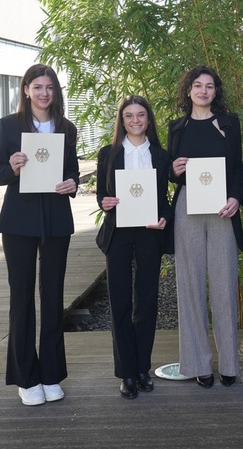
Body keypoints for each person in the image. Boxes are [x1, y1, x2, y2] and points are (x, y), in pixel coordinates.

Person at [0, 64, 79, 407]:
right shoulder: (8, 125)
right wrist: (11, 168)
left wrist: (72, 183)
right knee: (22, 298)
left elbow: (72, 171)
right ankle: (26, 377)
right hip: (19, 220)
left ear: (56, 91)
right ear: (25, 89)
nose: (44, 93)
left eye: (49, 87)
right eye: (37, 87)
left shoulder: (66, 128)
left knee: (53, 297)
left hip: (56, 219)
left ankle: (51, 374)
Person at [167, 65, 243, 388]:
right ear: (188, 91)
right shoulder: (177, 127)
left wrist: (236, 198)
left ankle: (228, 362)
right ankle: (198, 363)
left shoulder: (229, 123)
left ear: (216, 91)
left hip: (222, 206)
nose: (203, 91)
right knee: (190, 285)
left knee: (225, 284)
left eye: (209, 86)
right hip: (188, 206)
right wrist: (173, 169)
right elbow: (171, 173)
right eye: (197, 85)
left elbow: (238, 168)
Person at [96, 96, 171, 399]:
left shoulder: (161, 155)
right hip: (119, 233)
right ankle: (126, 372)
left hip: (149, 233)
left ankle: (142, 368)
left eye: (141, 115)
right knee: (120, 302)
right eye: (129, 116)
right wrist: (105, 202)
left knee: (147, 301)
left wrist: (165, 217)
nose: (135, 120)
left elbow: (165, 199)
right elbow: (101, 195)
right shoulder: (108, 154)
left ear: (148, 119)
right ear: (122, 120)